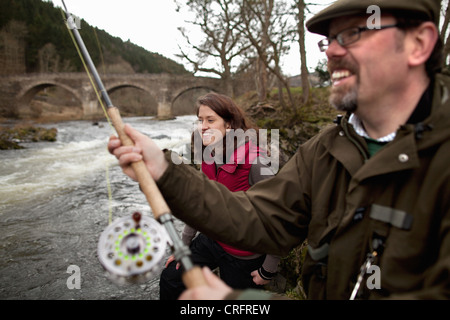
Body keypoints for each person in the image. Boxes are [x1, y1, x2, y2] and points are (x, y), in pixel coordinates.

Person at [108, 0, 450, 300]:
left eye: (353, 34)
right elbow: (261, 216)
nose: (331, 50)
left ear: (418, 44)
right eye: (329, 39)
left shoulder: (261, 153)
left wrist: (244, 298)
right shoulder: (325, 149)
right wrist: (164, 169)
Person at [158, 93, 280, 299]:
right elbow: (202, 203)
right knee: (171, 277)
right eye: (200, 120)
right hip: (214, 239)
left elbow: (278, 215)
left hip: (245, 253)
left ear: (229, 124)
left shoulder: (258, 161)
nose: (202, 126)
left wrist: (269, 268)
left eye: (210, 120)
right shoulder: (208, 155)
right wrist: (183, 245)